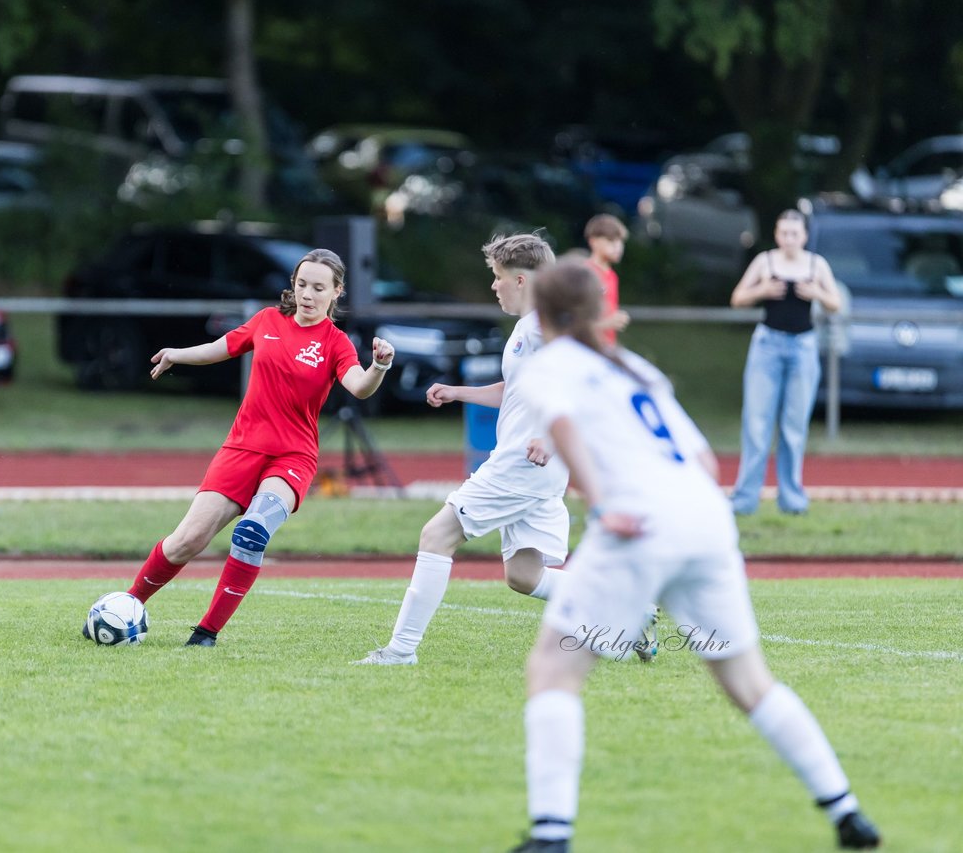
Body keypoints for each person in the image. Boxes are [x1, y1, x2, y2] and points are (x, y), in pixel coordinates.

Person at [508, 259, 879, 852]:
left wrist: (602, 504)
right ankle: (847, 811)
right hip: (707, 519)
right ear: (602, 313)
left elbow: (564, 426)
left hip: (641, 521)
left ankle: (551, 833)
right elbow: (706, 463)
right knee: (749, 682)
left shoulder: (549, 361)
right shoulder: (634, 367)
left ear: (545, 316)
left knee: (554, 669)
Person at [355, 232, 655, 666]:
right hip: (533, 468)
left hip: (523, 464)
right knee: (524, 575)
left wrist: (552, 438)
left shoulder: (546, 327)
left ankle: (400, 651)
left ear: (520, 279)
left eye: (497, 277)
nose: (493, 286)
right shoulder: (526, 327)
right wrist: (458, 392)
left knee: (436, 535)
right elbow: (516, 391)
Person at [94, 248, 395, 647]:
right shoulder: (267, 320)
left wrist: (379, 366)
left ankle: (206, 633)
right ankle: (125, 607)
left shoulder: (335, 343)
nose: (307, 293)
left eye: (318, 288)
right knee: (187, 540)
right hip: (241, 449)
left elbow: (358, 386)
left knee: (252, 532)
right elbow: (221, 347)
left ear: (336, 292)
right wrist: (175, 355)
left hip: (292, 456)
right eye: (302, 284)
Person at [729, 209, 842, 515]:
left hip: (802, 347)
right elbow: (737, 298)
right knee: (756, 423)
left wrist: (817, 292)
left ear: (804, 236)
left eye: (795, 233)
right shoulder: (765, 261)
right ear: (776, 235)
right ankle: (744, 499)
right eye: (783, 233)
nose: (789, 239)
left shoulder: (817, 265)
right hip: (767, 346)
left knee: (793, 427)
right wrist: (762, 290)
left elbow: (836, 304)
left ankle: (792, 499)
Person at [582, 213, 630, 343]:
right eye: (611, 240)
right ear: (593, 241)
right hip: (586, 350)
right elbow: (574, 324)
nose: (618, 247)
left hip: (604, 350)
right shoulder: (584, 274)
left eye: (620, 241)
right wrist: (606, 324)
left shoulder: (612, 275)